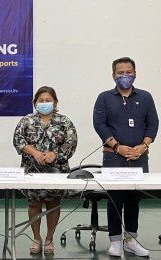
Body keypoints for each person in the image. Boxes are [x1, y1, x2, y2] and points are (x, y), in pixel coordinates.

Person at [93, 57, 159, 257]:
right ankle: (115, 240)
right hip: (114, 157)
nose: (124, 76)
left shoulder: (145, 97)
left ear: (135, 73)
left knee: (133, 200)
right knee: (115, 199)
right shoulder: (104, 97)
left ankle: (130, 239)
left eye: (128, 72)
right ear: (113, 75)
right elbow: (99, 124)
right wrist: (117, 146)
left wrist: (143, 146)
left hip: (139, 157)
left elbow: (153, 124)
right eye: (120, 73)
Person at [13, 86, 77, 254]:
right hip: (32, 169)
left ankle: (49, 238)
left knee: (53, 203)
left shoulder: (64, 121)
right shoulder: (26, 120)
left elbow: (71, 143)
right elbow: (18, 140)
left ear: (55, 102)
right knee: (33, 203)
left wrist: (54, 154)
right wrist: (34, 152)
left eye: (48, 100)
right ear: (35, 103)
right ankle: (36, 237)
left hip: (57, 170)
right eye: (41, 101)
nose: (44, 103)